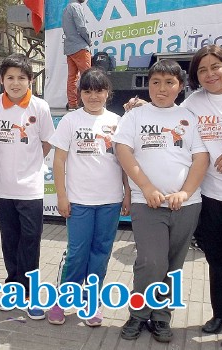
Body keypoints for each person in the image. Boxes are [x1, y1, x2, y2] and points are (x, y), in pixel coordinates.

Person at [124, 45, 222, 349]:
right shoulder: (196, 101)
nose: (210, 74)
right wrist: (138, 106)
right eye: (202, 70)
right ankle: (221, 314)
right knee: (217, 260)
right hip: (209, 194)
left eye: (215, 67)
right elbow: (168, 110)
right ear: (195, 77)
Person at [113, 60, 209, 343]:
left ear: (180, 87)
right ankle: (138, 314)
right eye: (155, 82)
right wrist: (146, 187)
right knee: (151, 261)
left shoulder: (189, 117)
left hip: (186, 205)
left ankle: (161, 316)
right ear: (148, 85)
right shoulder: (134, 116)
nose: (162, 89)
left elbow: (200, 158)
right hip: (147, 202)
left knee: (173, 264)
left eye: (169, 83)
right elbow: (123, 151)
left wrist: (185, 193)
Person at [46, 67, 130, 327]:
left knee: (101, 252)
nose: (93, 96)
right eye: (87, 91)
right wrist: (62, 196)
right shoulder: (71, 121)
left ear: (108, 93)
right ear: (79, 93)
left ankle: (91, 301)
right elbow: (58, 161)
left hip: (110, 201)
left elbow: (125, 162)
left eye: (99, 91)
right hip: (79, 200)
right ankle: (63, 298)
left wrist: (127, 194)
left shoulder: (118, 122)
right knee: (77, 252)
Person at [0, 53, 55, 320]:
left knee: (30, 240)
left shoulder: (40, 107)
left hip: (31, 188)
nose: (16, 83)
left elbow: (47, 141)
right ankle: (13, 286)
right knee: (9, 239)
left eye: (22, 78)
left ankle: (30, 290)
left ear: (30, 81)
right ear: (2, 79)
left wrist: (31, 162)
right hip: (3, 186)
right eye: (10, 78)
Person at [62, 0, 92, 111]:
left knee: (72, 78)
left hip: (70, 48)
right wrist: (89, 41)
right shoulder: (76, 7)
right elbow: (81, 27)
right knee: (88, 76)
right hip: (80, 46)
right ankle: (88, 103)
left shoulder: (66, 9)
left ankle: (72, 104)